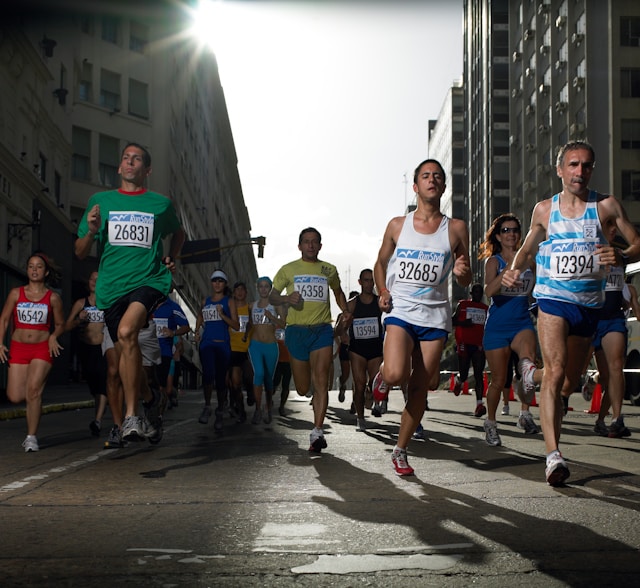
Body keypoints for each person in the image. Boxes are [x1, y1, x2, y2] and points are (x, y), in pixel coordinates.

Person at [503, 140, 640, 486]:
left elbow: (636, 242)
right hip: (552, 300)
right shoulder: (545, 210)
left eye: (587, 165)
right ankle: (553, 457)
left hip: (589, 307)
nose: (580, 172)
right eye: (574, 165)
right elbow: (528, 246)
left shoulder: (606, 206)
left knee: (568, 380)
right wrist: (514, 269)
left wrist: (621, 255)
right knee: (558, 372)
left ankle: (530, 376)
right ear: (560, 170)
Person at [74, 142, 185, 443]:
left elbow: (179, 232)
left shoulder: (160, 204)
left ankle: (132, 415)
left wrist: (171, 256)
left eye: (137, 159)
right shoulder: (100, 201)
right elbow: (80, 252)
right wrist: (93, 231)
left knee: (125, 332)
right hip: (112, 288)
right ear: (120, 166)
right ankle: (150, 398)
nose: (130, 162)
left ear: (147, 170)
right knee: (125, 353)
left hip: (149, 281)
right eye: (126, 158)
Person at [373, 158, 471, 476]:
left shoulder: (455, 228)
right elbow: (379, 265)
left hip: (435, 315)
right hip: (400, 309)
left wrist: (463, 271)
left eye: (438, 176)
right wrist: (382, 292)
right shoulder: (397, 226)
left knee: (423, 385)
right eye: (426, 176)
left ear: (442, 186)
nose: (432, 180)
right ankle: (384, 375)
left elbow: (465, 277)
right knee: (395, 374)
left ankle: (400, 450)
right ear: (416, 186)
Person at [269, 227, 351, 453]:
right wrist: (286, 297)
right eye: (306, 242)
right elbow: (272, 295)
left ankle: (317, 431)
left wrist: (344, 310)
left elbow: (338, 292)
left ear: (320, 246)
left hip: (322, 330)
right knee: (304, 388)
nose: (311, 245)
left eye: (315, 242)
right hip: (296, 332)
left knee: (322, 379)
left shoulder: (329, 269)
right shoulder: (288, 269)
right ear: (300, 246)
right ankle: (313, 396)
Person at [479, 214, 541, 447]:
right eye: (506, 230)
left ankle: (525, 414)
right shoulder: (494, 262)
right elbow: (489, 291)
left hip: (522, 322)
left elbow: (537, 290)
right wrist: (505, 276)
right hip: (497, 327)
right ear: (498, 235)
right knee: (498, 380)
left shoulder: (529, 260)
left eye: (515, 229)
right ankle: (491, 423)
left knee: (527, 368)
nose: (511, 234)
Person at [0, 252, 65, 452]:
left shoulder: (52, 297)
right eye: (31, 266)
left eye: (38, 267)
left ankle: (31, 437)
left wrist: (54, 336)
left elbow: (61, 323)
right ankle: (34, 400)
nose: (34, 270)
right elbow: (3, 320)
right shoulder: (15, 293)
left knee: (33, 391)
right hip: (18, 348)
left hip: (41, 348)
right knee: (14, 396)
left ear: (45, 272)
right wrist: (0, 343)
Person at [335, 270, 384, 431]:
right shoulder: (352, 304)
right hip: (357, 350)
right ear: (360, 282)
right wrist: (344, 328)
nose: (369, 284)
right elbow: (337, 329)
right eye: (366, 280)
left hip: (376, 349)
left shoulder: (379, 303)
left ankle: (374, 400)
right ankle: (360, 418)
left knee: (373, 383)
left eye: (371, 281)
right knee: (359, 384)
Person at [195, 269, 239, 432]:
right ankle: (207, 406)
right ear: (211, 283)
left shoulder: (229, 301)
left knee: (221, 380)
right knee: (207, 375)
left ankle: (220, 409)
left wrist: (222, 315)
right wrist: (196, 331)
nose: (217, 283)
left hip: (222, 345)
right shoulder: (205, 300)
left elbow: (236, 325)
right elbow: (200, 316)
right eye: (214, 280)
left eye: (220, 281)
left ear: (225, 284)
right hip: (206, 343)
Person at [65, 270, 108, 436]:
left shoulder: (107, 303)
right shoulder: (81, 303)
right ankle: (99, 412)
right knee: (94, 384)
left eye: (98, 279)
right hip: (86, 348)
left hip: (103, 348)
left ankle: (97, 421)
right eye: (92, 279)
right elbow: (67, 326)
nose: (94, 282)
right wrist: (79, 320)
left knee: (102, 382)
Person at [245, 277, 285, 424]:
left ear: (270, 288)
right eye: (260, 286)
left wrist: (272, 317)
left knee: (268, 378)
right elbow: (249, 323)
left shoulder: (276, 305)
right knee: (259, 373)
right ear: (257, 288)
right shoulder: (252, 306)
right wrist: (244, 336)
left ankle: (268, 408)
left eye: (266, 286)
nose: (263, 289)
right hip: (255, 345)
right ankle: (257, 409)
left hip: (271, 346)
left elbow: (284, 324)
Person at [452, 283, 489, 416]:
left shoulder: (486, 309)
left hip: (479, 345)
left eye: (480, 292)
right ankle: (459, 380)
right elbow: (452, 321)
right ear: (472, 294)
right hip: (464, 343)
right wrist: (463, 323)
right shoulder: (462, 305)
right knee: (464, 373)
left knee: (479, 374)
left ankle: (479, 404)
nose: (478, 294)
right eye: (476, 292)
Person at [152, 292, 191, 408]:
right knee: (149, 386)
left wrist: (173, 332)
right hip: (147, 352)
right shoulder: (147, 304)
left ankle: (158, 416)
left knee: (161, 388)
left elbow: (186, 326)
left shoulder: (173, 307)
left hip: (164, 353)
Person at [228, 281, 253, 420]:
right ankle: (240, 409)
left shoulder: (250, 308)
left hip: (248, 349)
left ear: (246, 293)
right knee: (235, 383)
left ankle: (251, 392)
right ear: (233, 292)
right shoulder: (229, 309)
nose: (239, 292)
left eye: (242, 289)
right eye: (237, 289)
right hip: (233, 349)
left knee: (250, 377)